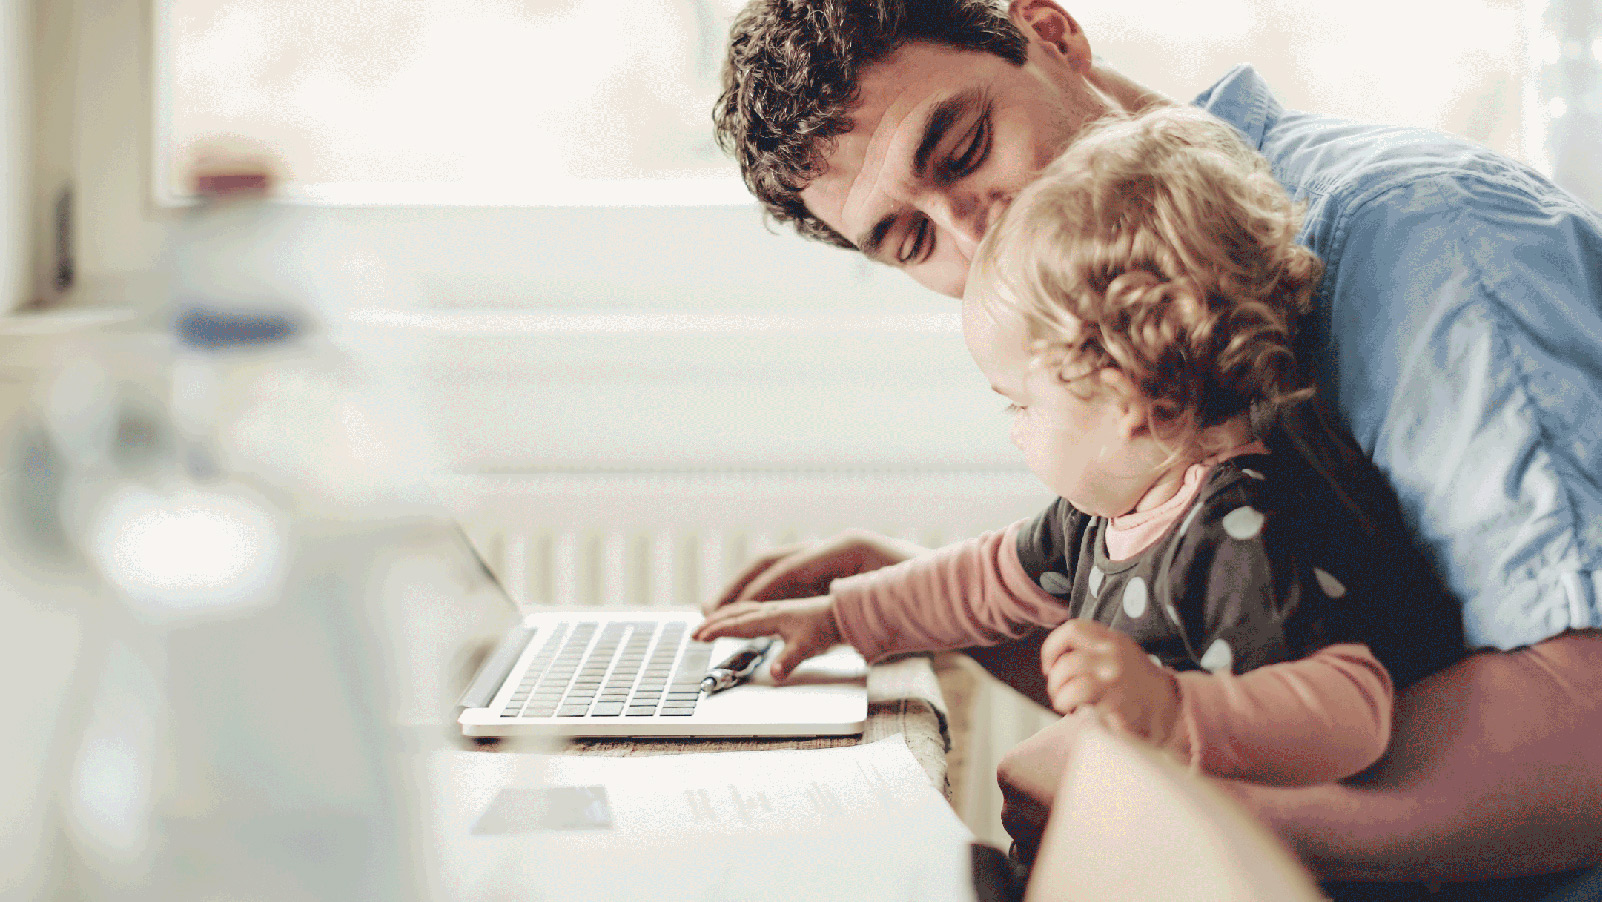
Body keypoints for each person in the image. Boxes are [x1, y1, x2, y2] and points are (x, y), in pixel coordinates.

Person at [705, 0, 1602, 893]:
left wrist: (1134, 814)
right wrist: (914, 602)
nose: (975, 241)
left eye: (966, 149)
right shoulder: (1112, 335)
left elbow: (1587, 742)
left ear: (1052, 34)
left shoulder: (1422, 241)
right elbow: (1213, 649)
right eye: (912, 239)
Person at [698, 104, 1467, 787]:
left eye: (1023, 403)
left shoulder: (1244, 534)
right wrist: (839, 619)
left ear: (1127, 397)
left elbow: (1355, 710)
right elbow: (982, 581)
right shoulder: (1103, 514)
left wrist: (1172, 709)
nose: (1015, 428)